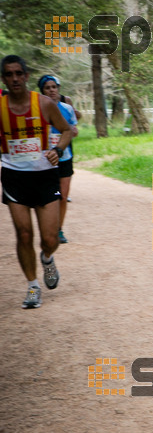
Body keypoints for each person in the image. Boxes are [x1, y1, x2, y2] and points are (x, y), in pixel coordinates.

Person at [1, 55, 74, 308]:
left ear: (26, 76)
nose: (14, 79)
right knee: (23, 234)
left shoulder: (43, 104)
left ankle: (46, 258)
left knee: (50, 238)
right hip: (14, 177)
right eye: (9, 74)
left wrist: (60, 150)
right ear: (4, 78)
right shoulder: (0, 107)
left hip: (44, 176)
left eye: (18, 73)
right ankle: (33, 287)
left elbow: (66, 130)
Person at [38, 75, 78, 243]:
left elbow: (73, 129)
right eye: (47, 88)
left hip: (65, 157)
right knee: (48, 197)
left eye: (54, 87)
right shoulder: (38, 109)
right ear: (42, 91)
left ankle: (59, 230)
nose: (52, 90)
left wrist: (72, 131)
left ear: (58, 89)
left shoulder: (66, 109)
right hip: (45, 159)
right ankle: (48, 228)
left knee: (62, 197)